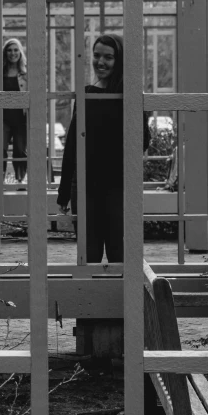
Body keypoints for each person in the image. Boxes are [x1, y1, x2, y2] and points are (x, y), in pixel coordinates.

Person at [57, 33, 150, 263]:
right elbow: (72, 145)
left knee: (121, 256)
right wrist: (63, 192)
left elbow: (143, 140)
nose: (100, 62)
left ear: (119, 60)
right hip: (86, 185)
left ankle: (123, 300)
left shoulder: (130, 96)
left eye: (108, 57)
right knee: (88, 257)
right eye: (97, 55)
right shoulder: (86, 93)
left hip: (118, 186)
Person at [2, 38, 28, 184]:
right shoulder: (0, 72)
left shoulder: (25, 73)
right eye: (9, 50)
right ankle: (1, 181)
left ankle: (19, 181)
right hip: (3, 118)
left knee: (20, 150)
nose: (13, 53)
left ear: (20, 52)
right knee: (1, 149)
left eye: (16, 50)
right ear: (5, 53)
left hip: (21, 118)